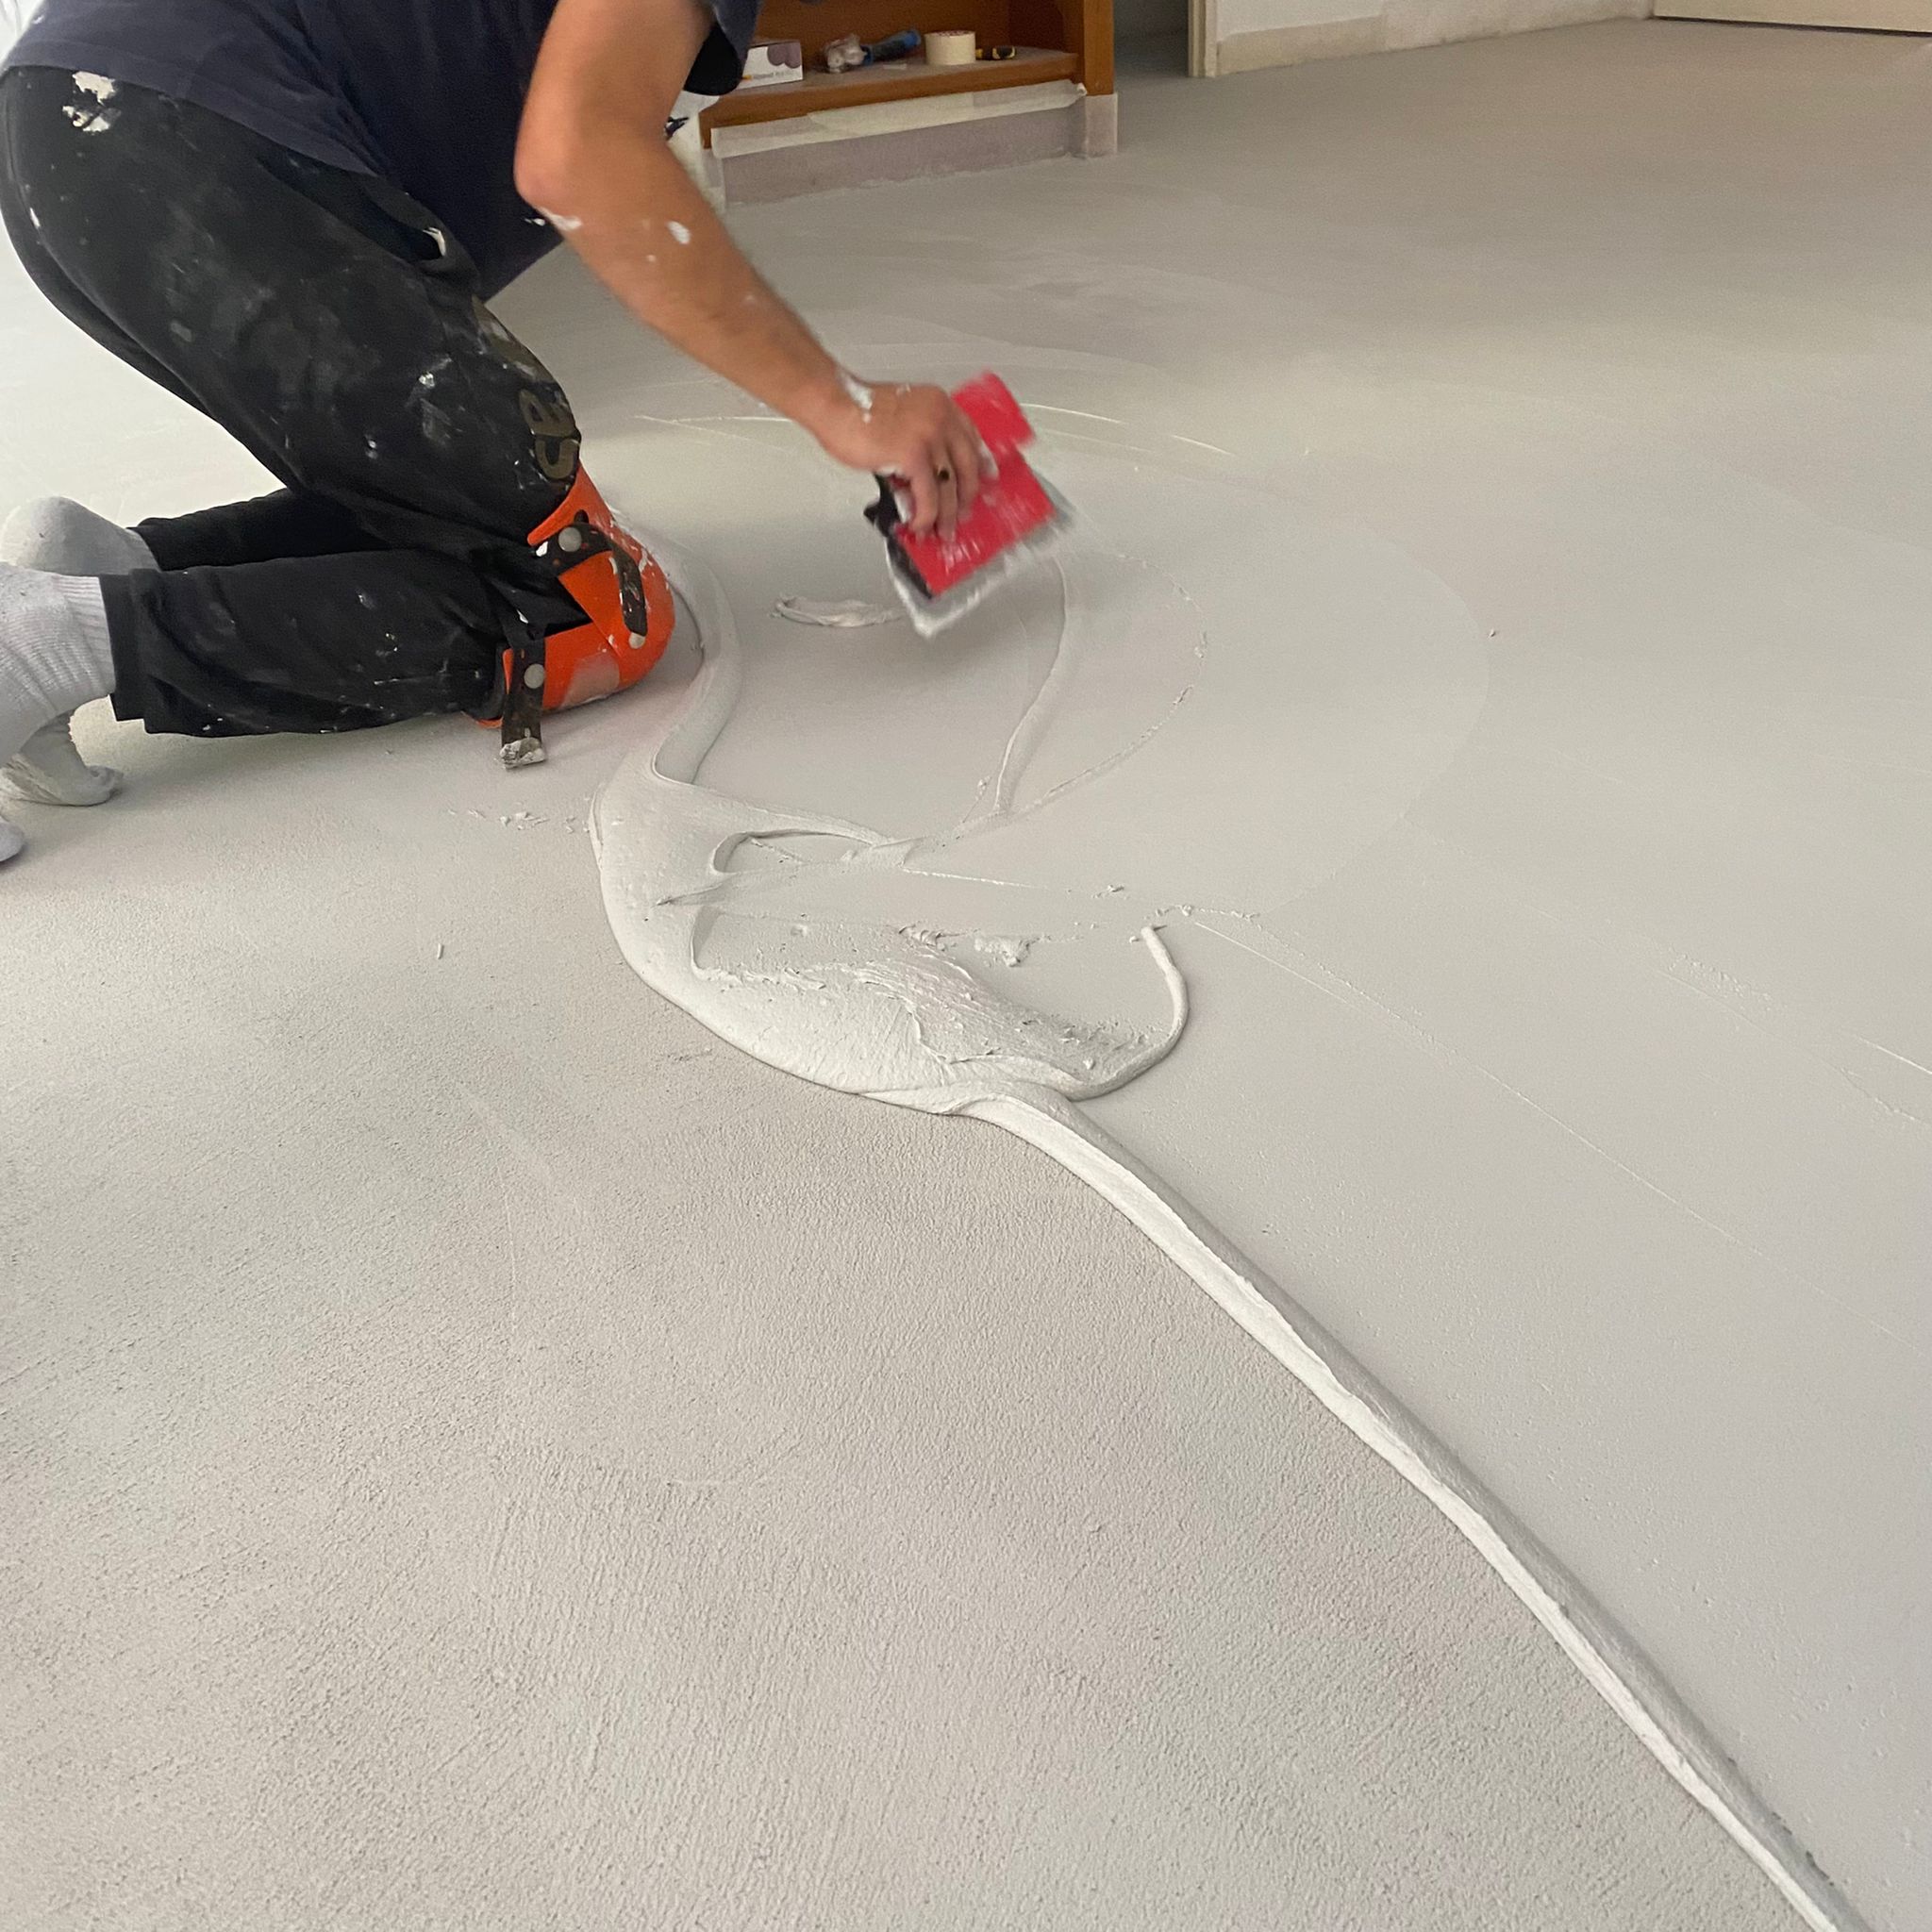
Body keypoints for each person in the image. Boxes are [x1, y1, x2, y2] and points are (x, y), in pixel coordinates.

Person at [0, 0, 984, 861]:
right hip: (188, 143)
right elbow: (581, 156)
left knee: (478, 507)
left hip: (73, 122)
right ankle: (54, 645)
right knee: (587, 604)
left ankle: (114, 571)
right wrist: (839, 404)